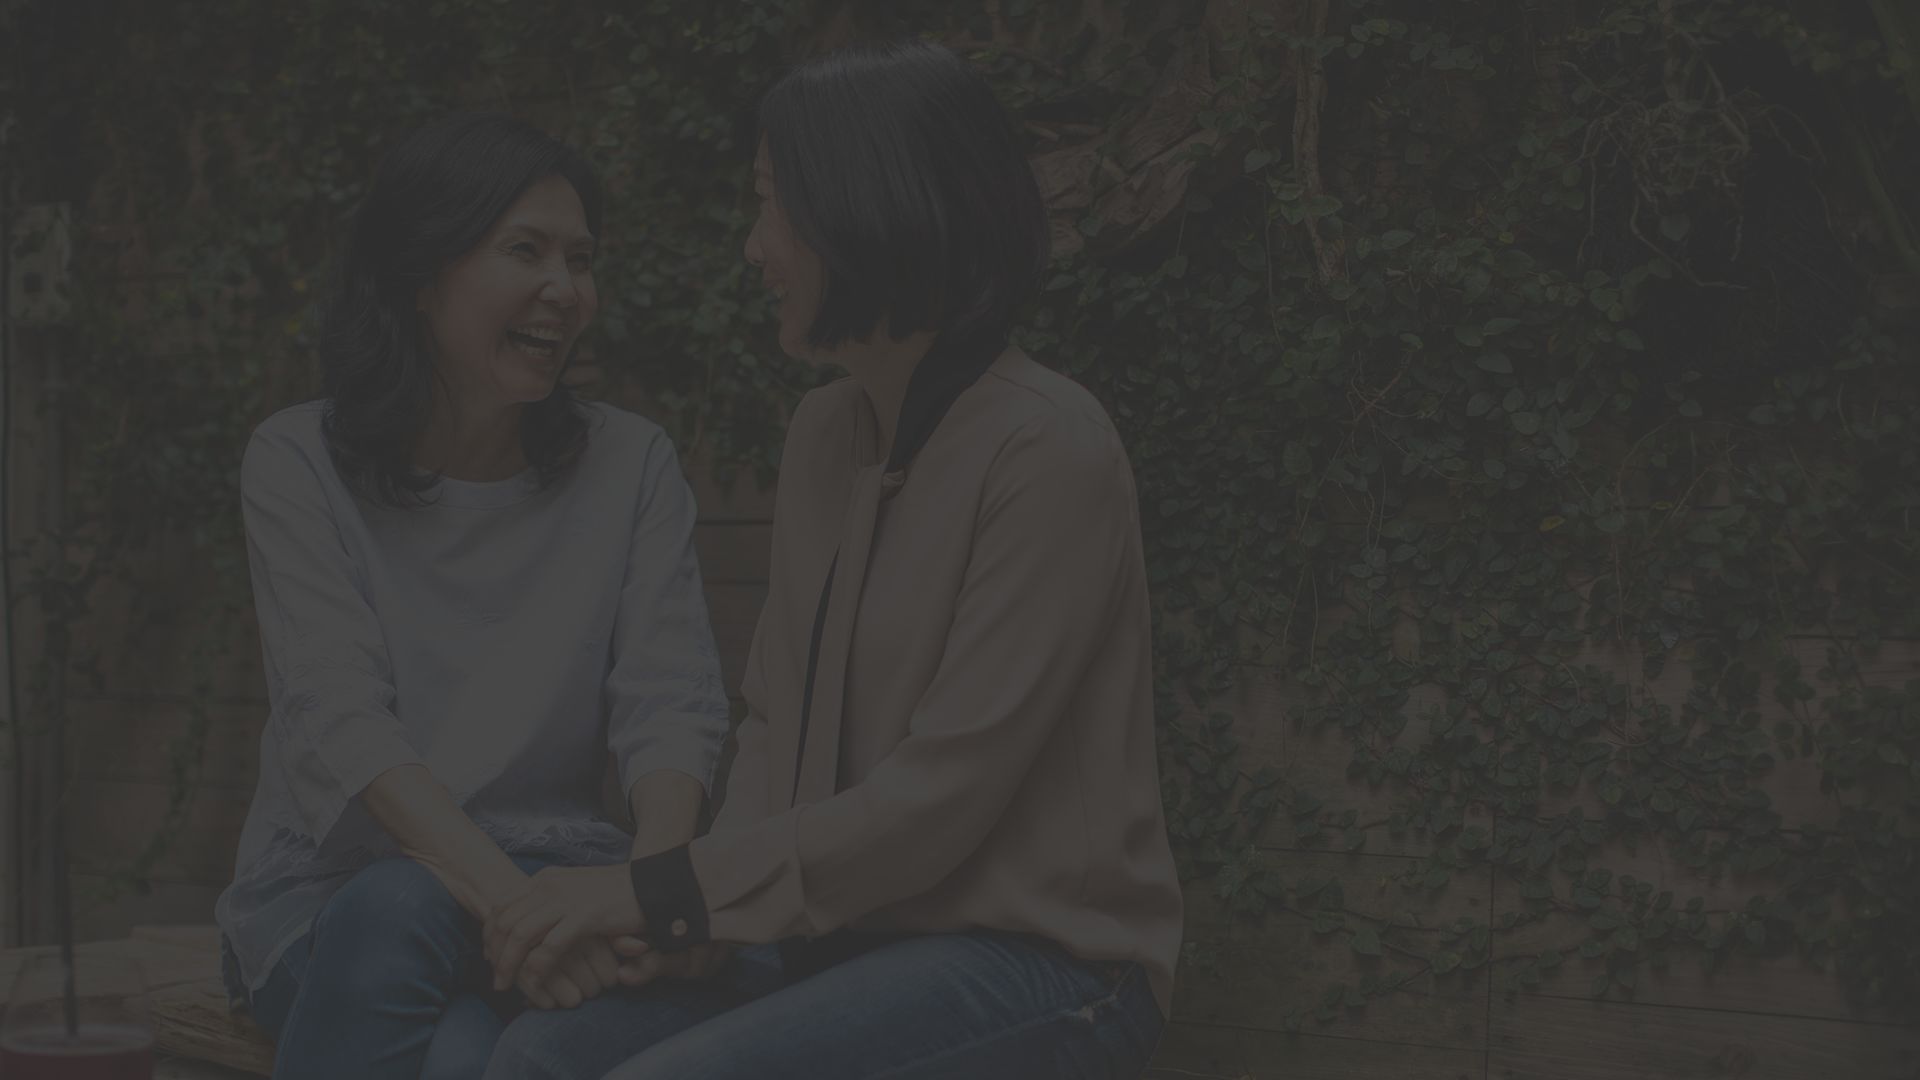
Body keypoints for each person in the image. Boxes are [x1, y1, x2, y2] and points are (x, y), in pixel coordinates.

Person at [478, 39, 1183, 1080]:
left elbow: (940, 804)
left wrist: (665, 890)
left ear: (867, 211)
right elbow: (774, 719)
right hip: (837, 940)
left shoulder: (1049, 448)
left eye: (772, 206)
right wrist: (701, 919)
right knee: (540, 1055)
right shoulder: (824, 434)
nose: (753, 249)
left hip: (1050, 969)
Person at [212, 112, 732, 1080]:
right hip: (339, 902)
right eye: (525, 250)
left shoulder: (632, 464)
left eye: (582, 259)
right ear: (421, 276)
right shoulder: (298, 461)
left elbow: (671, 702)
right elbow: (341, 722)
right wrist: (516, 909)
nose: (565, 290)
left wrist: (657, 893)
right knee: (403, 916)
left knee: (480, 1057)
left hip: (562, 881)